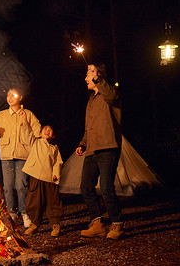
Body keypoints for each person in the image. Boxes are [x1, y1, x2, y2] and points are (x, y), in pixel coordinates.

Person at [75, 63, 123, 240]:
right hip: (92, 149)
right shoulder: (91, 100)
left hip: (108, 146)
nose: (86, 78)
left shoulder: (110, 93)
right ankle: (97, 223)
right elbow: (89, 128)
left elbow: (111, 94)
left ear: (98, 76)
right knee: (86, 186)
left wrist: (97, 75)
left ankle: (117, 224)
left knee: (106, 187)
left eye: (89, 75)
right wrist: (83, 143)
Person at [0, 88, 41, 228]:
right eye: (8, 95)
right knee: (8, 187)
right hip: (6, 155)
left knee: (21, 186)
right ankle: (12, 214)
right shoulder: (2, 115)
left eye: (13, 95)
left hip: (23, 155)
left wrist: (25, 122)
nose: (10, 98)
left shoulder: (28, 114)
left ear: (20, 97)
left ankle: (24, 213)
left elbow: (37, 133)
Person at [21, 122, 63, 237]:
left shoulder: (54, 148)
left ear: (53, 136)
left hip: (49, 178)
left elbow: (57, 162)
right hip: (35, 176)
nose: (47, 131)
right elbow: (27, 134)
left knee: (53, 201)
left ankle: (55, 224)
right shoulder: (36, 142)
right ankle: (34, 224)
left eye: (50, 130)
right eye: (45, 129)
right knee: (34, 201)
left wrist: (56, 174)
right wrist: (24, 122)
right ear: (40, 133)